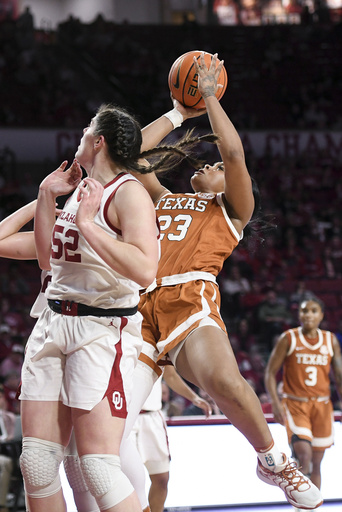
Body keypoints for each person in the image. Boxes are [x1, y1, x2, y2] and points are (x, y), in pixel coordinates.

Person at [133, 52, 323, 511]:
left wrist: (211, 97)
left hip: (188, 299)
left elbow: (233, 152)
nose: (209, 166)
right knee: (109, 428)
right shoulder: (166, 198)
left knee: (225, 380)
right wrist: (179, 112)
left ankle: (273, 460)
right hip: (134, 308)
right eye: (210, 166)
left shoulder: (232, 210)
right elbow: (133, 155)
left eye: (215, 169)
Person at [17, 103, 163, 512]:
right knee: (37, 464)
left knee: (98, 466)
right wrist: (47, 196)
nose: (80, 133)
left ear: (98, 141)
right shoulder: (81, 191)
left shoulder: (129, 192)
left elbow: (145, 270)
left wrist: (86, 225)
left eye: (86, 130)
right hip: (53, 321)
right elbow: (48, 259)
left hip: (101, 330)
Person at [264, 297, 342, 512]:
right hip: (295, 404)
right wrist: (276, 403)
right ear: (299, 315)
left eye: (313, 311)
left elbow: (339, 374)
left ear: (321, 315)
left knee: (317, 462)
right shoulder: (288, 338)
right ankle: (300, 506)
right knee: (303, 455)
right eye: (304, 311)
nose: (308, 315)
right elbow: (270, 373)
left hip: (322, 407)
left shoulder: (330, 340)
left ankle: (312, 507)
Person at [130, 365, 211, 512]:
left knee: (161, 479)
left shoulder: (160, 342)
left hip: (153, 416)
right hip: (126, 416)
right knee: (130, 481)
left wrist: (194, 398)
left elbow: (171, 376)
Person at [0, 383, 16, 512]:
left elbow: (13, 438)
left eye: (1, 397)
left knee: (5, 462)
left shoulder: (9, 418)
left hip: (8, 454)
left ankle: (2, 505)